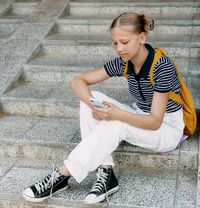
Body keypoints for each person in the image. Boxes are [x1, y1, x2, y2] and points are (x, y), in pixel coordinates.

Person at [22, 12, 185, 204]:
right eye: (115, 43)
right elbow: (78, 82)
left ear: (142, 38)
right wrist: (94, 106)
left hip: (166, 128)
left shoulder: (161, 66)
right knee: (92, 99)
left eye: (124, 42)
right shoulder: (124, 63)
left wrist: (118, 114)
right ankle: (106, 172)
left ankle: (62, 174)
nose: (119, 48)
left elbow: (155, 121)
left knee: (116, 124)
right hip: (139, 113)